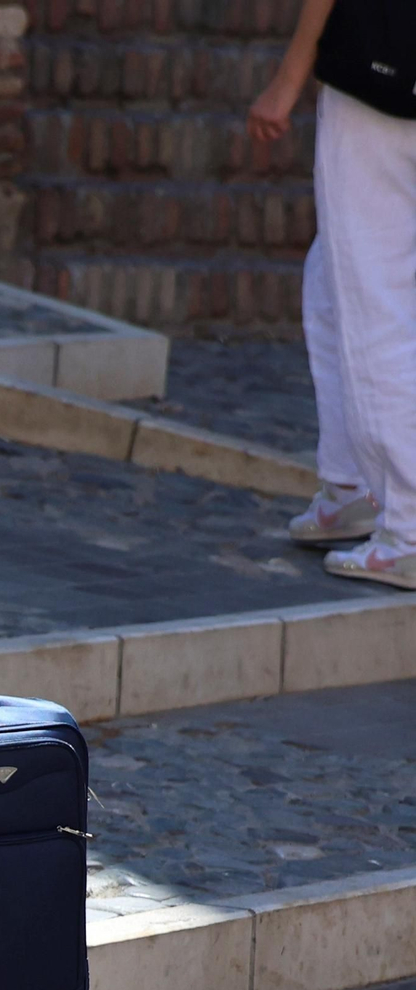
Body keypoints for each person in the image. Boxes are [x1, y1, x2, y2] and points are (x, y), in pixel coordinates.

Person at [249, 0, 416, 588]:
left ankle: (409, 527)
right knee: (334, 279)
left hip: (383, 75)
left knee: (373, 297)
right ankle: (353, 485)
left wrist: (289, 75)